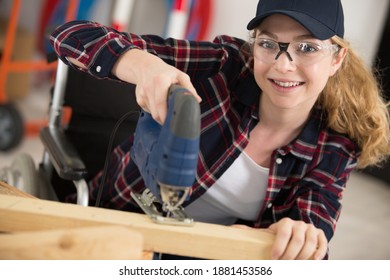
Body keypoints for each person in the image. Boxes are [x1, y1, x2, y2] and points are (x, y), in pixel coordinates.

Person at [50, 0, 390, 260]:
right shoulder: (224, 66)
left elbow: (314, 216)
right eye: (269, 43)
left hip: (214, 258)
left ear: (336, 59)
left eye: (307, 48)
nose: (283, 65)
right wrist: (144, 66)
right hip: (117, 227)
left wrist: (301, 234)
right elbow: (69, 36)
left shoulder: (337, 144)